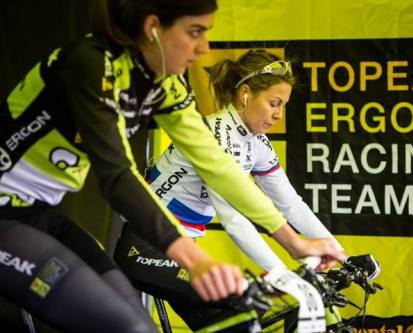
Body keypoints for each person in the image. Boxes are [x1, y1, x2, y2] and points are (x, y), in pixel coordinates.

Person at [0, 1, 335, 332]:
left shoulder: (164, 84)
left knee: (137, 320)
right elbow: (117, 176)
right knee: (126, 326)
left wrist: (296, 243)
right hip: (5, 215)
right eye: (195, 32)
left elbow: (218, 166)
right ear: (153, 29)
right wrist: (196, 260)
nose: (204, 47)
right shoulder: (90, 65)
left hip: (41, 213)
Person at [114, 49, 350, 331]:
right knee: (242, 303)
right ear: (245, 94)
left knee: (237, 324)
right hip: (144, 250)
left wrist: (341, 256)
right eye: (274, 103)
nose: (278, 115)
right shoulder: (217, 135)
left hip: (180, 251)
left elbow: (291, 204)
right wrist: (279, 272)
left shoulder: (256, 143)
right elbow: (234, 220)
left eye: (283, 106)